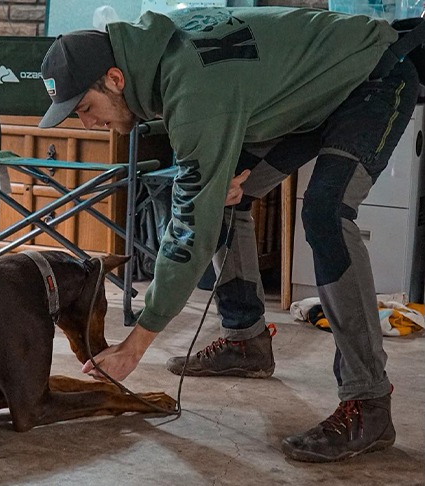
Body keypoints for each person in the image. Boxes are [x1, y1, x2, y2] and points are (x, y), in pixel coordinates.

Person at [37, 6, 420, 463]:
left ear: (116, 79)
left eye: (85, 108)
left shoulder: (191, 90)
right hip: (304, 99)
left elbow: (188, 232)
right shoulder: (163, 55)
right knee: (222, 198)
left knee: (325, 214)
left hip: (372, 78)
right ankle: (246, 341)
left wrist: (135, 345)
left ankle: (370, 402)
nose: (87, 124)